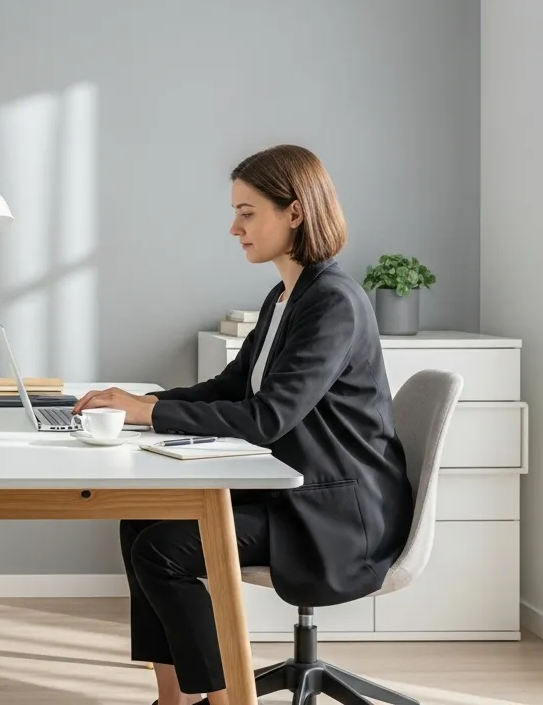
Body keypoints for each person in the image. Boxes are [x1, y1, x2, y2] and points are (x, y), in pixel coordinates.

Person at [73, 144, 414, 705]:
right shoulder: (285, 296)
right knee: (141, 516)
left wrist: (150, 413)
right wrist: (141, 402)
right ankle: (174, 700)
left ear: (296, 212)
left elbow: (267, 417)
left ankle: (221, 700)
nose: (234, 227)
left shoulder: (333, 303)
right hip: (296, 487)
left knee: (163, 550)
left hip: (335, 512)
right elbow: (232, 388)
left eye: (248, 212)